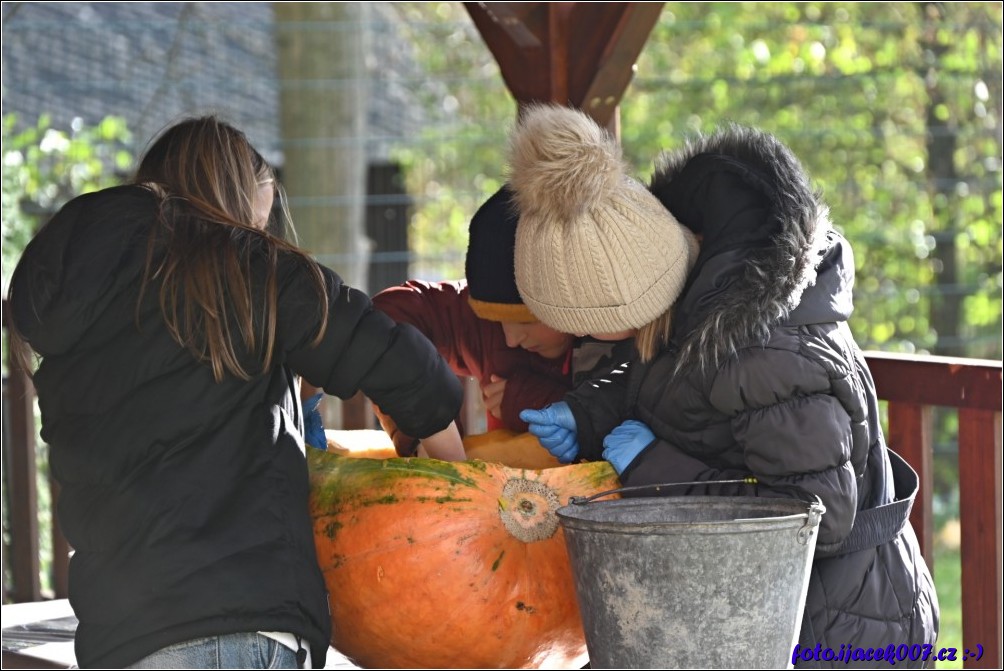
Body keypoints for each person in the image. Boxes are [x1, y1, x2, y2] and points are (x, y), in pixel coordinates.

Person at [6, 116, 465, 669]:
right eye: (263, 204)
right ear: (241, 192)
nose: (264, 221)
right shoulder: (244, 264)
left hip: (120, 640)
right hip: (235, 628)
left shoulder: (80, 303)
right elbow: (398, 362)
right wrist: (462, 488)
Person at [511, 104, 939, 665]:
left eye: (585, 322)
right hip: (759, 615)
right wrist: (588, 414)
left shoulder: (765, 351)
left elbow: (814, 519)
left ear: (631, 298)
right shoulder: (690, 295)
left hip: (841, 631)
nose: (581, 335)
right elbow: (670, 388)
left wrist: (654, 470)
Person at [370, 185, 632, 456]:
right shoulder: (484, 321)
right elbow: (383, 319)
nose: (511, 338)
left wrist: (538, 404)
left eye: (526, 322)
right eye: (497, 320)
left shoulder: (621, 327)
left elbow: (646, 412)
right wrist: (424, 421)